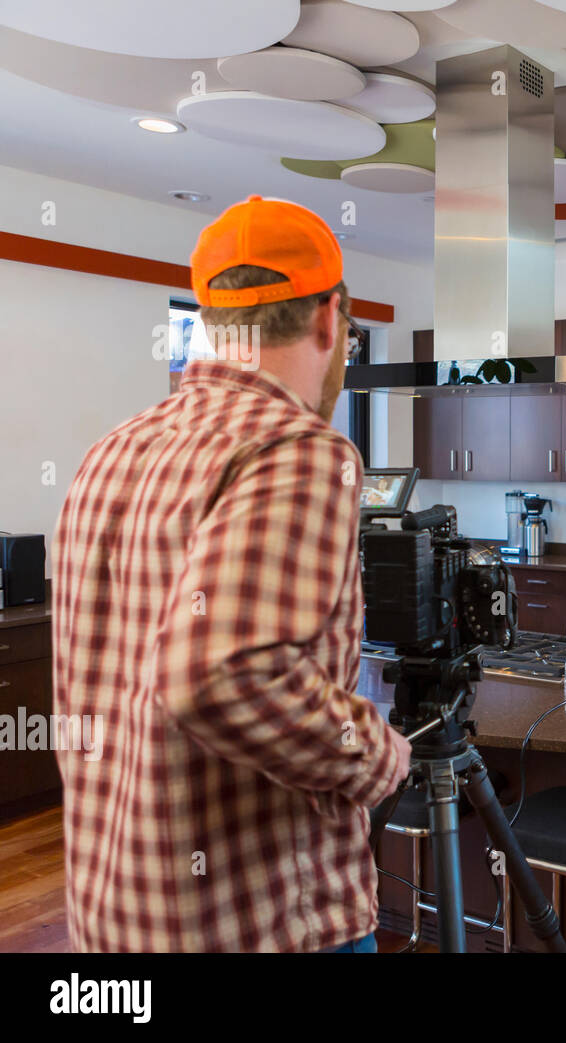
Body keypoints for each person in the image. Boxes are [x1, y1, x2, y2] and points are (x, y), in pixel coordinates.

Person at [51, 195, 410, 953]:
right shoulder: (302, 451)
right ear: (329, 319)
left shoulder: (112, 451)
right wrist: (376, 752)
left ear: (216, 321)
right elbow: (216, 671)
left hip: (116, 923)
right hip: (264, 920)